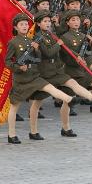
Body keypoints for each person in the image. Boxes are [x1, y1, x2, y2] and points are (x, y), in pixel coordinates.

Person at [5, 13, 82, 144]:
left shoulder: (31, 41)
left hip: (34, 76)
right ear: (16, 27)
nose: (24, 26)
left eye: (26, 24)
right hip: (21, 79)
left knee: (50, 87)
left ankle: (70, 99)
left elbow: (39, 58)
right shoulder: (13, 42)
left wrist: (36, 50)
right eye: (21, 24)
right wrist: (18, 67)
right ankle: (11, 135)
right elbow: (7, 61)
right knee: (14, 106)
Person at [30, 11, 92, 138]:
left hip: (57, 70)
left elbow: (64, 51)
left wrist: (77, 55)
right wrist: (58, 44)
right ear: (38, 24)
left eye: (49, 21)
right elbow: (49, 53)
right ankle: (33, 131)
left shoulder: (53, 35)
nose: (48, 24)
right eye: (44, 22)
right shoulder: (38, 37)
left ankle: (91, 101)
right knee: (38, 101)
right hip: (44, 72)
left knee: (71, 85)